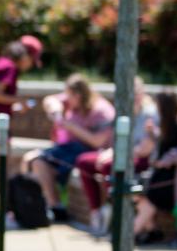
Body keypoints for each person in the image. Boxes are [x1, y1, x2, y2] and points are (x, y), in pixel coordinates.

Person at [21, 73, 115, 224]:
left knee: (38, 160)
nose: (66, 99)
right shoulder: (70, 101)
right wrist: (56, 110)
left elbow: (97, 142)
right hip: (68, 149)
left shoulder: (102, 111)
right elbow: (50, 100)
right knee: (34, 160)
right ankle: (55, 207)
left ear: (77, 95)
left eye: (69, 96)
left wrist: (68, 125)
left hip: (89, 151)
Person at [75, 76, 156, 235]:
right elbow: (117, 140)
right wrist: (110, 152)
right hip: (122, 153)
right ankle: (96, 211)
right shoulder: (123, 111)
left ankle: (113, 208)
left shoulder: (150, 114)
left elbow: (146, 148)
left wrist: (115, 155)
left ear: (141, 93)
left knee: (108, 165)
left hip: (142, 158)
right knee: (84, 161)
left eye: (134, 92)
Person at [0, 36, 43, 227]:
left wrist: (14, 106)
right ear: (25, 55)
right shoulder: (9, 68)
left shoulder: (0, 63)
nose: (30, 66)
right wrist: (19, 101)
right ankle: (2, 215)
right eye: (32, 61)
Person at [135, 91, 177, 242]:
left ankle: (129, 234)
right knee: (140, 193)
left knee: (151, 197)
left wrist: (168, 159)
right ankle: (151, 231)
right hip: (161, 175)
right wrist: (153, 133)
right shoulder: (166, 121)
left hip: (175, 180)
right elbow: (167, 140)